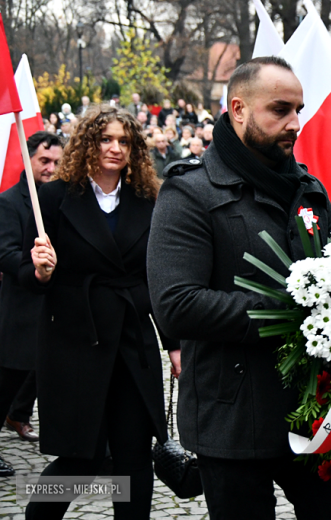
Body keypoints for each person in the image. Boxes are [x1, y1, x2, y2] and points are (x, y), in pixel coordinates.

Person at [147, 56, 331, 520]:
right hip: (232, 415)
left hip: (314, 408)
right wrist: (290, 311)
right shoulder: (190, 192)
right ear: (239, 109)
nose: (295, 123)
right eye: (280, 110)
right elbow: (175, 305)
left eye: (299, 110)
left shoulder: (309, 189)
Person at [20, 105, 177, 519]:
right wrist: (41, 270)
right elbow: (28, 273)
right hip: (74, 341)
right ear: (88, 143)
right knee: (80, 457)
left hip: (132, 343)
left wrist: (174, 346)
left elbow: (159, 277)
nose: (115, 148)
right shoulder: (54, 198)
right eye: (106, 139)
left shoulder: (149, 199)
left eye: (124, 141)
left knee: (133, 456)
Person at [0, 132, 63, 475]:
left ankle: (20, 416)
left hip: (54, 309)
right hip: (21, 309)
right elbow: (5, 253)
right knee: (8, 379)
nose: (51, 168)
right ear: (29, 160)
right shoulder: (10, 202)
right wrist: (35, 266)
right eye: (44, 161)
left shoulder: (60, 199)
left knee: (41, 374)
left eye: (56, 161)